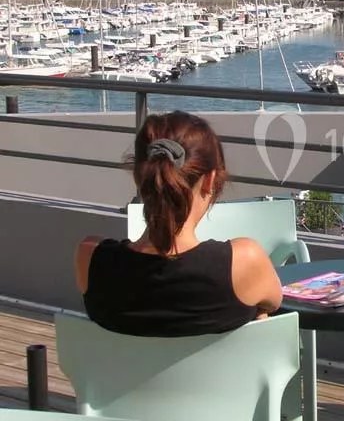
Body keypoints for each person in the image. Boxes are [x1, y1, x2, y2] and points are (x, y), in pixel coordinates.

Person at [74, 111, 283, 337]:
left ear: (138, 177)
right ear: (210, 180)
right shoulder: (244, 262)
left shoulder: (90, 258)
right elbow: (273, 302)